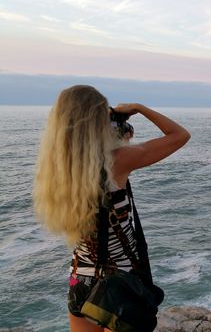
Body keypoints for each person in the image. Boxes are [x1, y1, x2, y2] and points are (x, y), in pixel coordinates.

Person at [33, 85, 190, 331]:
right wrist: (138, 108)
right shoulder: (117, 162)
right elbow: (179, 135)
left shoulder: (57, 169)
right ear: (99, 120)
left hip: (80, 280)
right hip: (120, 283)